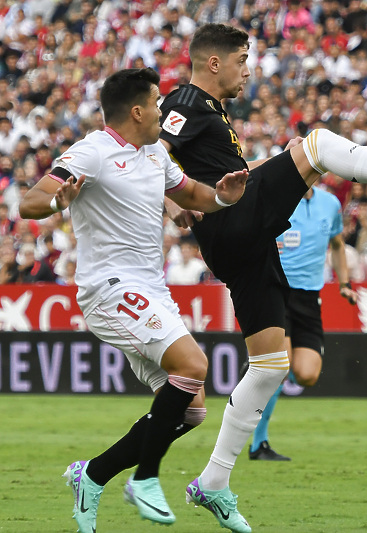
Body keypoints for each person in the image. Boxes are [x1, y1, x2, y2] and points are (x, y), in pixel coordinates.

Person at [158, 23, 367, 532]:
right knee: (316, 146)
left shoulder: (213, 113)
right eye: (242, 59)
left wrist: (192, 197)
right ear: (214, 62)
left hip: (242, 243)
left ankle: (212, 481)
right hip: (231, 223)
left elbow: (200, 167)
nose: (248, 69)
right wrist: (175, 203)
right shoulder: (186, 100)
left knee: (273, 364)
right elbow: (149, 154)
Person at [18, 68, 248, 533]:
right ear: (137, 110)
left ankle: (94, 474)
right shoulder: (92, 152)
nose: (164, 109)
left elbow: (190, 192)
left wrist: (220, 198)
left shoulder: (152, 155)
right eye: (158, 102)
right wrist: (59, 201)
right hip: (109, 289)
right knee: (194, 365)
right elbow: (30, 201)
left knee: (192, 409)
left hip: (151, 289)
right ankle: (145, 478)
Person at [249, 186, 357, 461]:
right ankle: (258, 444)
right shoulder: (277, 197)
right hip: (277, 291)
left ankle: (257, 372)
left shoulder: (330, 204)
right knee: (278, 368)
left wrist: (344, 283)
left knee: (307, 375)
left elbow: (337, 244)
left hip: (309, 298)